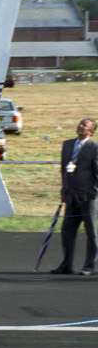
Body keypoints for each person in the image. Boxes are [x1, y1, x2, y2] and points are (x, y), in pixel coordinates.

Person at [53, 117, 98, 275]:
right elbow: (64, 169)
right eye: (80, 123)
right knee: (67, 230)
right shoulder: (68, 144)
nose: (80, 126)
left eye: (84, 125)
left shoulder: (94, 148)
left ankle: (89, 266)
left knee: (91, 232)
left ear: (91, 131)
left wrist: (94, 191)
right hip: (71, 195)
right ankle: (67, 264)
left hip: (88, 197)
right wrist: (64, 188)